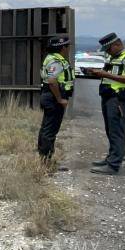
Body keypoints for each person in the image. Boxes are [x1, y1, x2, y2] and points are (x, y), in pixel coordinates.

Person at [89, 33, 125, 175]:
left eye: (109, 49)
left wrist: (104, 74)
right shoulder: (113, 57)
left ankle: (113, 165)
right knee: (110, 130)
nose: (107, 52)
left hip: (118, 99)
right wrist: (96, 73)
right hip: (108, 97)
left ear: (117, 44)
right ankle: (111, 157)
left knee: (116, 132)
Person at [37, 36, 74, 168]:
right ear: (63, 47)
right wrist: (60, 99)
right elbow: (52, 81)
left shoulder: (53, 58)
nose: (69, 48)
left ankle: (44, 159)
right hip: (53, 98)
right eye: (68, 46)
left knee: (46, 128)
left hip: (50, 96)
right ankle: (46, 162)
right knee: (50, 130)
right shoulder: (55, 60)